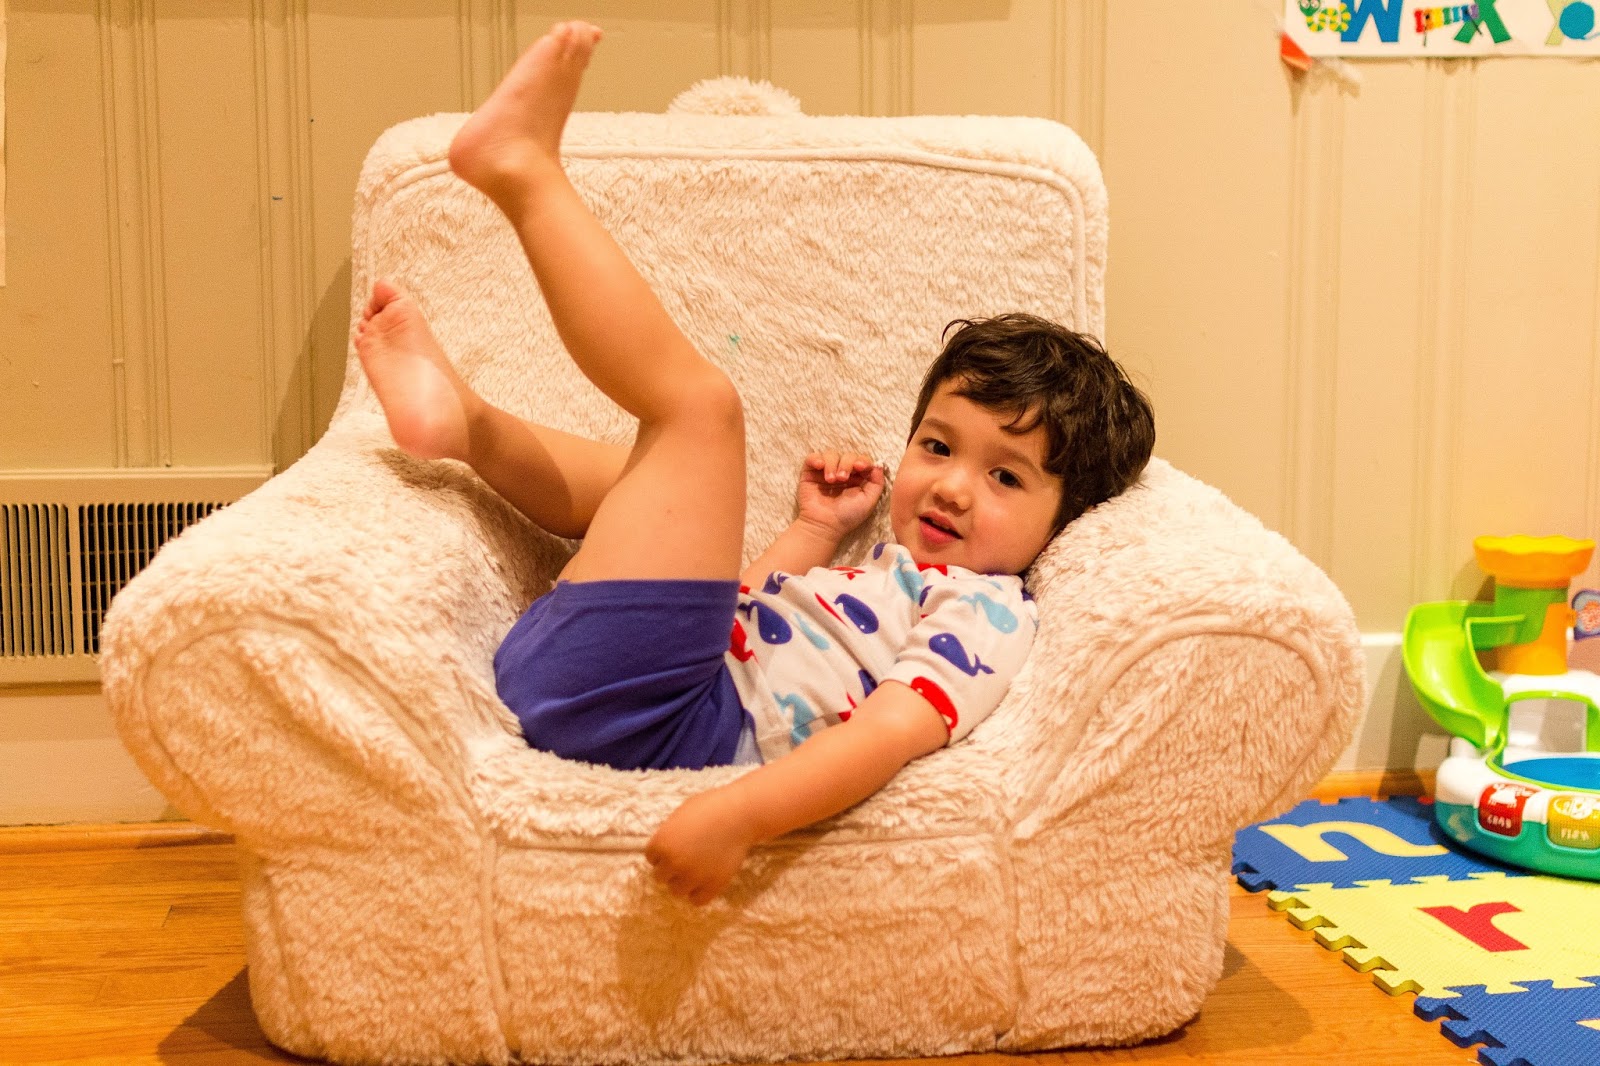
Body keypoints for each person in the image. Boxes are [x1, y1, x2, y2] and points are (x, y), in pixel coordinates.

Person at [353, 20, 1155, 905]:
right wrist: (813, 529)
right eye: (937, 446)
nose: (953, 486)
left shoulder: (990, 614)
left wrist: (740, 817)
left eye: (1005, 477)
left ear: (1065, 518)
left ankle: (523, 174)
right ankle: (467, 426)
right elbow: (743, 603)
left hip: (665, 723)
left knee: (700, 411)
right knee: (644, 483)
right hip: (630, 685)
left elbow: (885, 736)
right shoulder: (887, 572)